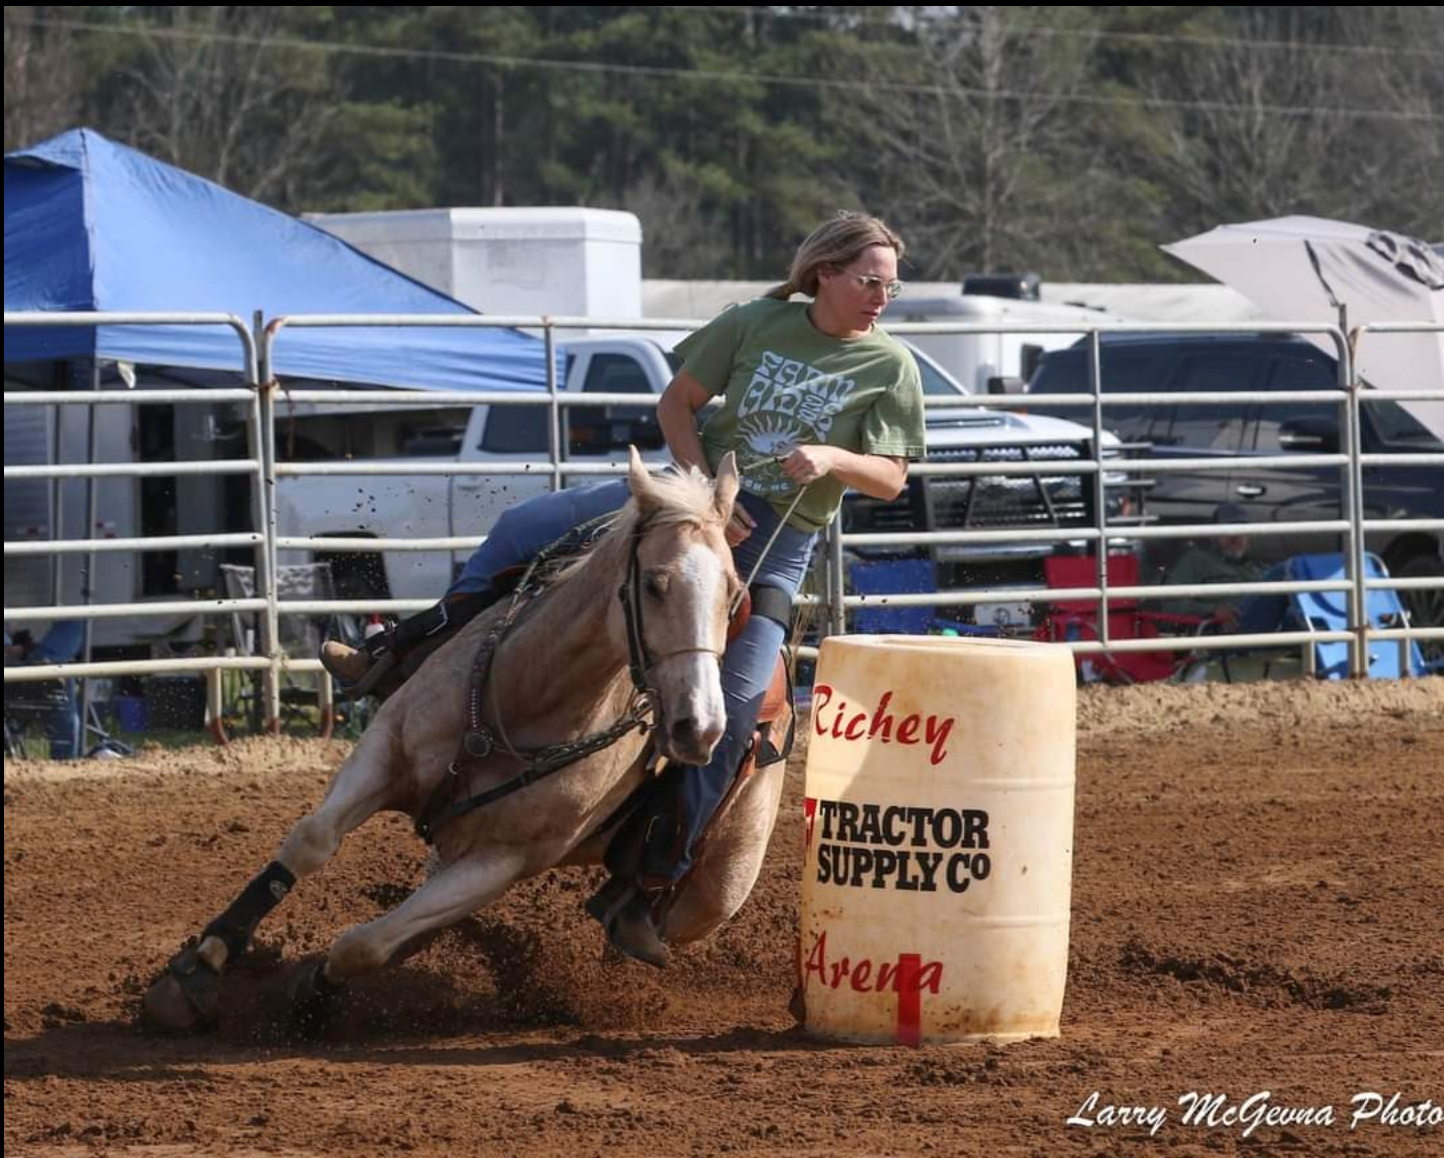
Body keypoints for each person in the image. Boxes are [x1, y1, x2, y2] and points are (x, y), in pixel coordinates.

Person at [321, 211, 928, 965]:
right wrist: (702, 490)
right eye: (870, 281)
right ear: (825, 275)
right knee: (521, 528)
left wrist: (836, 455)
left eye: (890, 286)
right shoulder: (755, 322)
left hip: (777, 545)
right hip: (688, 499)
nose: (881, 298)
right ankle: (401, 651)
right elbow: (678, 405)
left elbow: (894, 476)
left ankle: (647, 883)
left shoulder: (891, 366)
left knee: (738, 706)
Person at [1161, 503, 1271, 629]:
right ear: (1213, 535)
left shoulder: (1259, 569)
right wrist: (1212, 610)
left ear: (1249, 536)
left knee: (1284, 572)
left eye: (1241, 530)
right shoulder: (1196, 561)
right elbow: (1171, 607)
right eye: (1227, 530)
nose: (1234, 536)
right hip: (1220, 636)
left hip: (1266, 631)